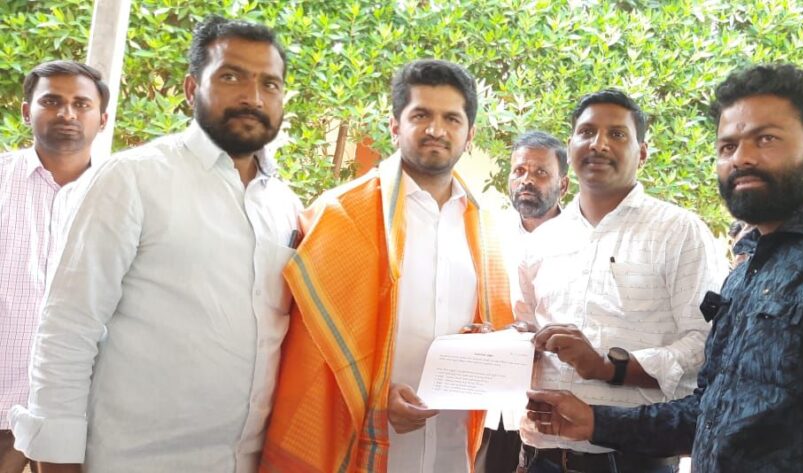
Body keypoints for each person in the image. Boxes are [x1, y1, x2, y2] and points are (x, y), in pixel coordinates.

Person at [525, 64, 803, 472]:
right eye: (728, 147)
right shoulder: (748, 272)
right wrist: (595, 422)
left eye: (766, 139)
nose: (742, 158)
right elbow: (709, 413)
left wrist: (609, 368)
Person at [8, 16, 301, 472]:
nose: (253, 97)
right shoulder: (133, 179)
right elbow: (67, 329)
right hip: (131, 459)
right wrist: (57, 462)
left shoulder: (284, 205)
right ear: (191, 88)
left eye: (270, 84)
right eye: (231, 77)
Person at [259, 59, 514, 473]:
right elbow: (311, 350)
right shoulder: (342, 215)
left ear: (470, 135)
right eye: (421, 115)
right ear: (395, 126)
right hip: (363, 445)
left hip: (450, 452)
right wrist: (375, 397)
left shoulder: (485, 229)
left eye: (451, 118)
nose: (436, 130)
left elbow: (493, 330)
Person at [516, 90, 726, 473]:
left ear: (642, 153)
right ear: (570, 145)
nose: (598, 144)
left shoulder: (679, 232)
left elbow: (705, 343)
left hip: (632, 460)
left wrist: (606, 366)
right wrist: (497, 346)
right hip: (540, 456)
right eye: (587, 132)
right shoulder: (542, 240)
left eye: (616, 134)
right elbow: (528, 330)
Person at [0, 60, 109, 473]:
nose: (67, 113)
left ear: (102, 118)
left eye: (81, 104)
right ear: (27, 111)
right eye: (51, 101)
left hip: (80, 409)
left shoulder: (122, 195)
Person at [477, 131, 569, 473]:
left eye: (540, 172)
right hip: (491, 406)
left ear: (563, 185)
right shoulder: (487, 234)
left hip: (551, 411)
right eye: (519, 171)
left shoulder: (583, 242)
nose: (527, 180)